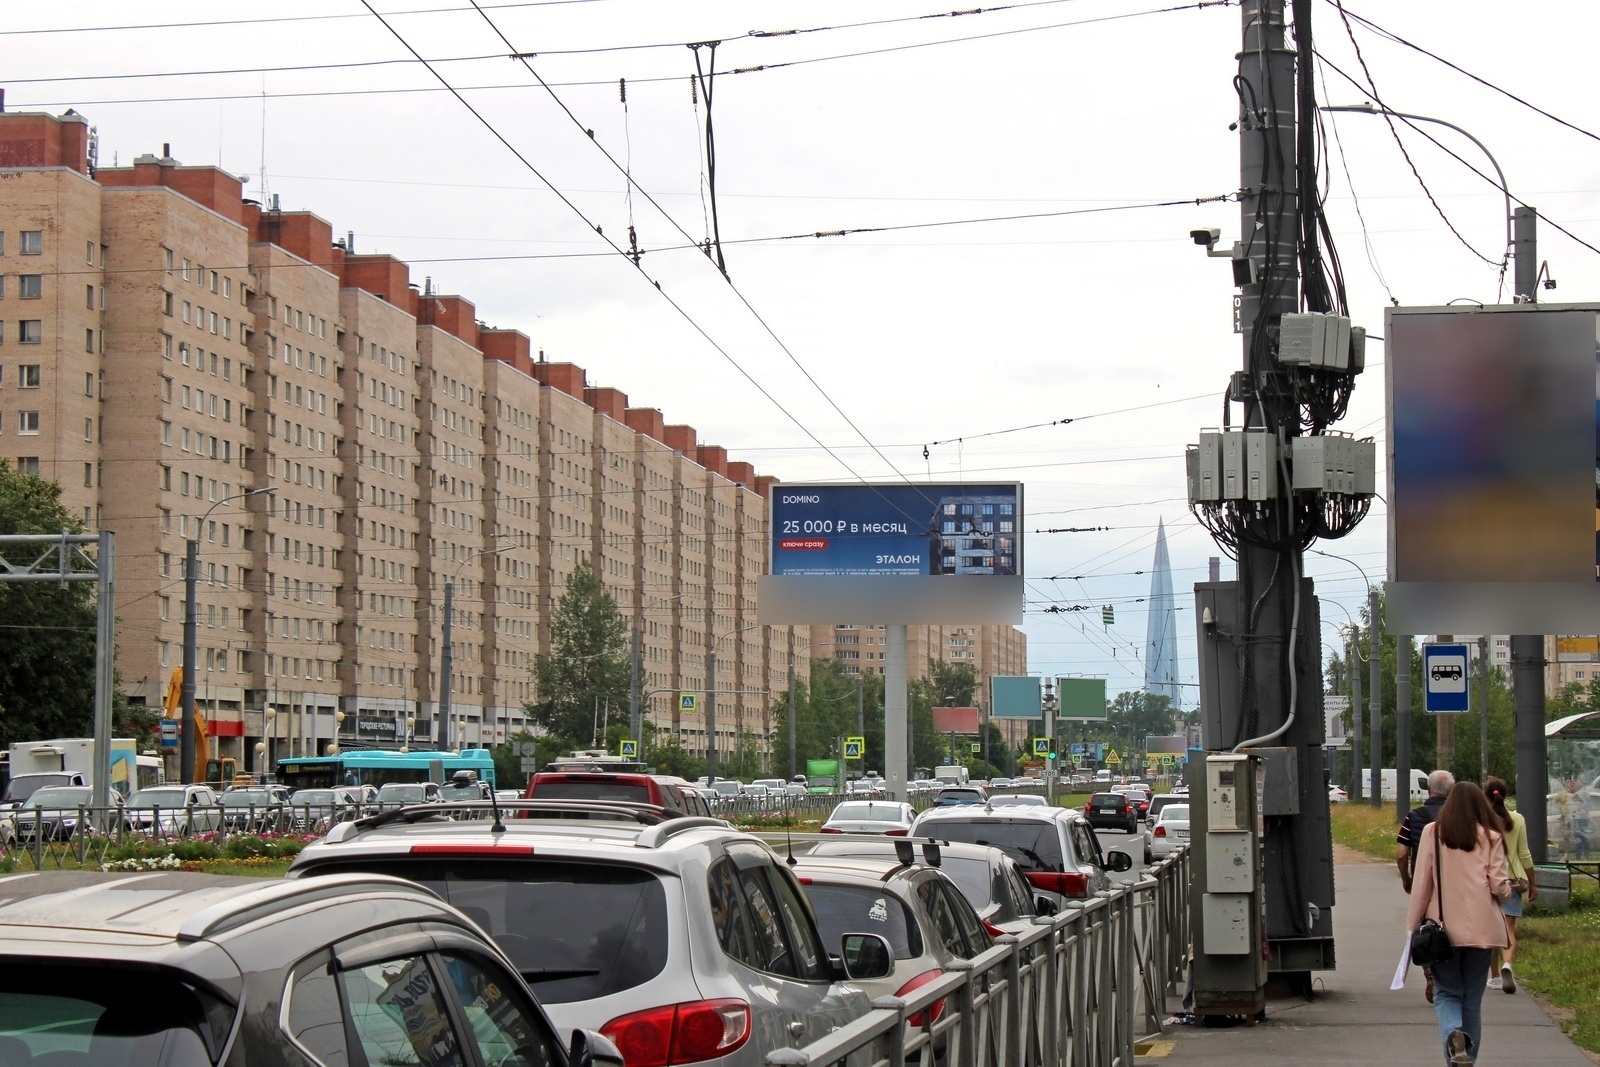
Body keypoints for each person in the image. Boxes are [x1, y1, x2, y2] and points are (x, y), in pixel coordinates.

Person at [1406, 781, 1512, 1065]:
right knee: (1472, 999)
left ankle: (1454, 1035)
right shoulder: (1491, 836)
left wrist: (1412, 926)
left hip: (1442, 931)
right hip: (1483, 929)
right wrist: (1509, 889)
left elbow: (1422, 884)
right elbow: (1498, 886)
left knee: (1447, 993)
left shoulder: (1433, 832)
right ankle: (1468, 1059)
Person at [1398, 769, 1454, 1004]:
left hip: (1424, 882)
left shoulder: (1414, 816)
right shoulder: (1458, 817)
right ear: (1451, 791)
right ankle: (1452, 971)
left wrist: (1406, 878)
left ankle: (1431, 972)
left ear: (1428, 789)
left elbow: (1402, 854)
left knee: (1426, 928)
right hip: (1454, 882)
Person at [1483, 777, 1536, 993]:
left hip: (1488, 881)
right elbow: (1524, 853)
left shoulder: (1482, 819)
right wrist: (1533, 883)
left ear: (1486, 795)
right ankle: (1508, 964)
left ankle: (1495, 976)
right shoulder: (1518, 819)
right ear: (1505, 794)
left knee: (1491, 931)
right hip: (1513, 880)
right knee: (1508, 929)